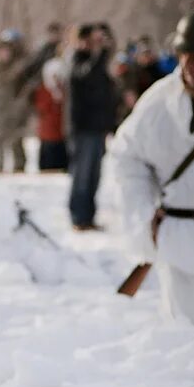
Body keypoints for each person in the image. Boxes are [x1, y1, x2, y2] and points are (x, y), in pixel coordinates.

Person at [110, 6, 194, 337]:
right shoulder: (160, 100)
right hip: (179, 245)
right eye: (184, 54)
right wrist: (145, 217)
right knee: (191, 357)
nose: (188, 65)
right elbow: (127, 157)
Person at [69, 23, 117, 231]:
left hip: (97, 128)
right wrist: (102, 53)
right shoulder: (76, 60)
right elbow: (88, 74)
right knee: (82, 175)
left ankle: (88, 216)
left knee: (94, 176)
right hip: (83, 128)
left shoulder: (96, 63)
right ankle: (79, 217)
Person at [0, 29, 32, 173]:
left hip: (14, 109)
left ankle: (19, 166)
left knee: (15, 139)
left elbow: (24, 88)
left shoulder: (21, 66)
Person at [34, 56, 69, 172]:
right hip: (47, 137)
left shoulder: (66, 92)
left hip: (62, 136)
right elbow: (41, 108)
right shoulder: (43, 91)